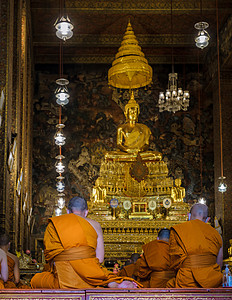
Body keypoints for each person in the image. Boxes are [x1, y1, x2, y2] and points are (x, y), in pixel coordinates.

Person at [31, 196, 141, 289]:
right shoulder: (95, 225)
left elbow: (51, 258)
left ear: (68, 211)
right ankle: (109, 282)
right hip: (90, 276)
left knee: (36, 280)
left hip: (63, 277)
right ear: (86, 212)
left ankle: (106, 281)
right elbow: (100, 259)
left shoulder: (56, 224)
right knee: (99, 277)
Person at [166, 203, 223, 288]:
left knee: (170, 284)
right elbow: (219, 264)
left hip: (186, 280)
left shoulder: (179, 230)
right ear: (207, 219)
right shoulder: (216, 234)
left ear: (189, 215)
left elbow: (174, 262)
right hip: (212, 281)